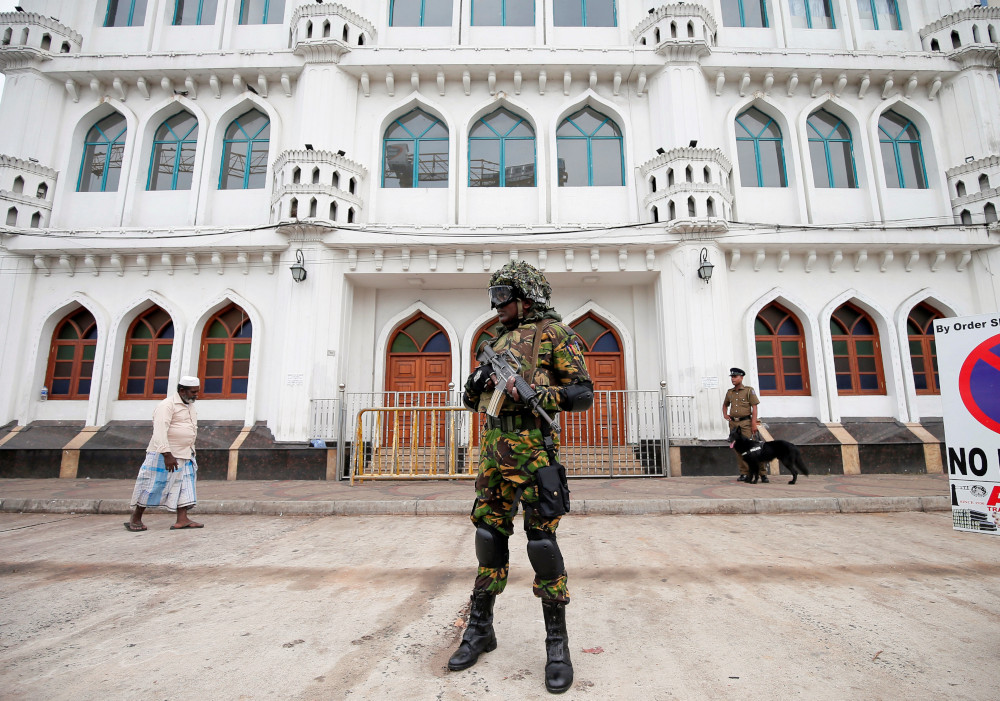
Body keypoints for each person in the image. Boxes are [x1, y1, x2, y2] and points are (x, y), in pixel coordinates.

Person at [450, 261, 593, 695]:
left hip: (533, 454)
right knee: (489, 539)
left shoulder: (556, 334)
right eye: (492, 296)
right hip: (494, 453)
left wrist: (533, 392)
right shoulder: (493, 340)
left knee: (542, 544)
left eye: (502, 296)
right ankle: (480, 630)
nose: (495, 306)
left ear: (526, 296)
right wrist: (479, 379)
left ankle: (557, 644)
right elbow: (472, 400)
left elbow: (582, 393)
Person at [125, 375, 204, 531]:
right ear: (182, 390)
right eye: (193, 392)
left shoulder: (189, 405)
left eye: (197, 391)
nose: (196, 395)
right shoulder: (167, 405)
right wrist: (167, 454)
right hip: (165, 455)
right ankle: (136, 518)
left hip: (185, 454)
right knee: (152, 485)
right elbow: (160, 430)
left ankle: (182, 519)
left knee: (184, 486)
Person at [722, 367, 767, 483]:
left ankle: (762, 474)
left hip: (746, 423)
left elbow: (755, 407)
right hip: (734, 424)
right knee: (738, 450)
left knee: (754, 448)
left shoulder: (748, 391)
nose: (733, 379)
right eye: (732, 377)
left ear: (741, 377)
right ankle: (744, 473)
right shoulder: (730, 392)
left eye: (735, 377)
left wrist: (753, 423)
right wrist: (725, 415)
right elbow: (725, 405)